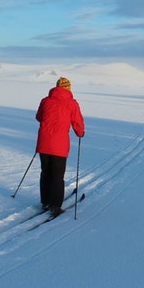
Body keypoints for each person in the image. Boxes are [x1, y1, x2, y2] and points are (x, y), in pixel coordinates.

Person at [35, 77, 85, 216]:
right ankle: (55, 206)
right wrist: (80, 133)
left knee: (45, 172)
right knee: (57, 175)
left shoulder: (45, 101)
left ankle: (45, 201)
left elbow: (39, 117)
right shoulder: (72, 103)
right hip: (60, 145)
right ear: (68, 88)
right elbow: (78, 122)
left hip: (43, 143)